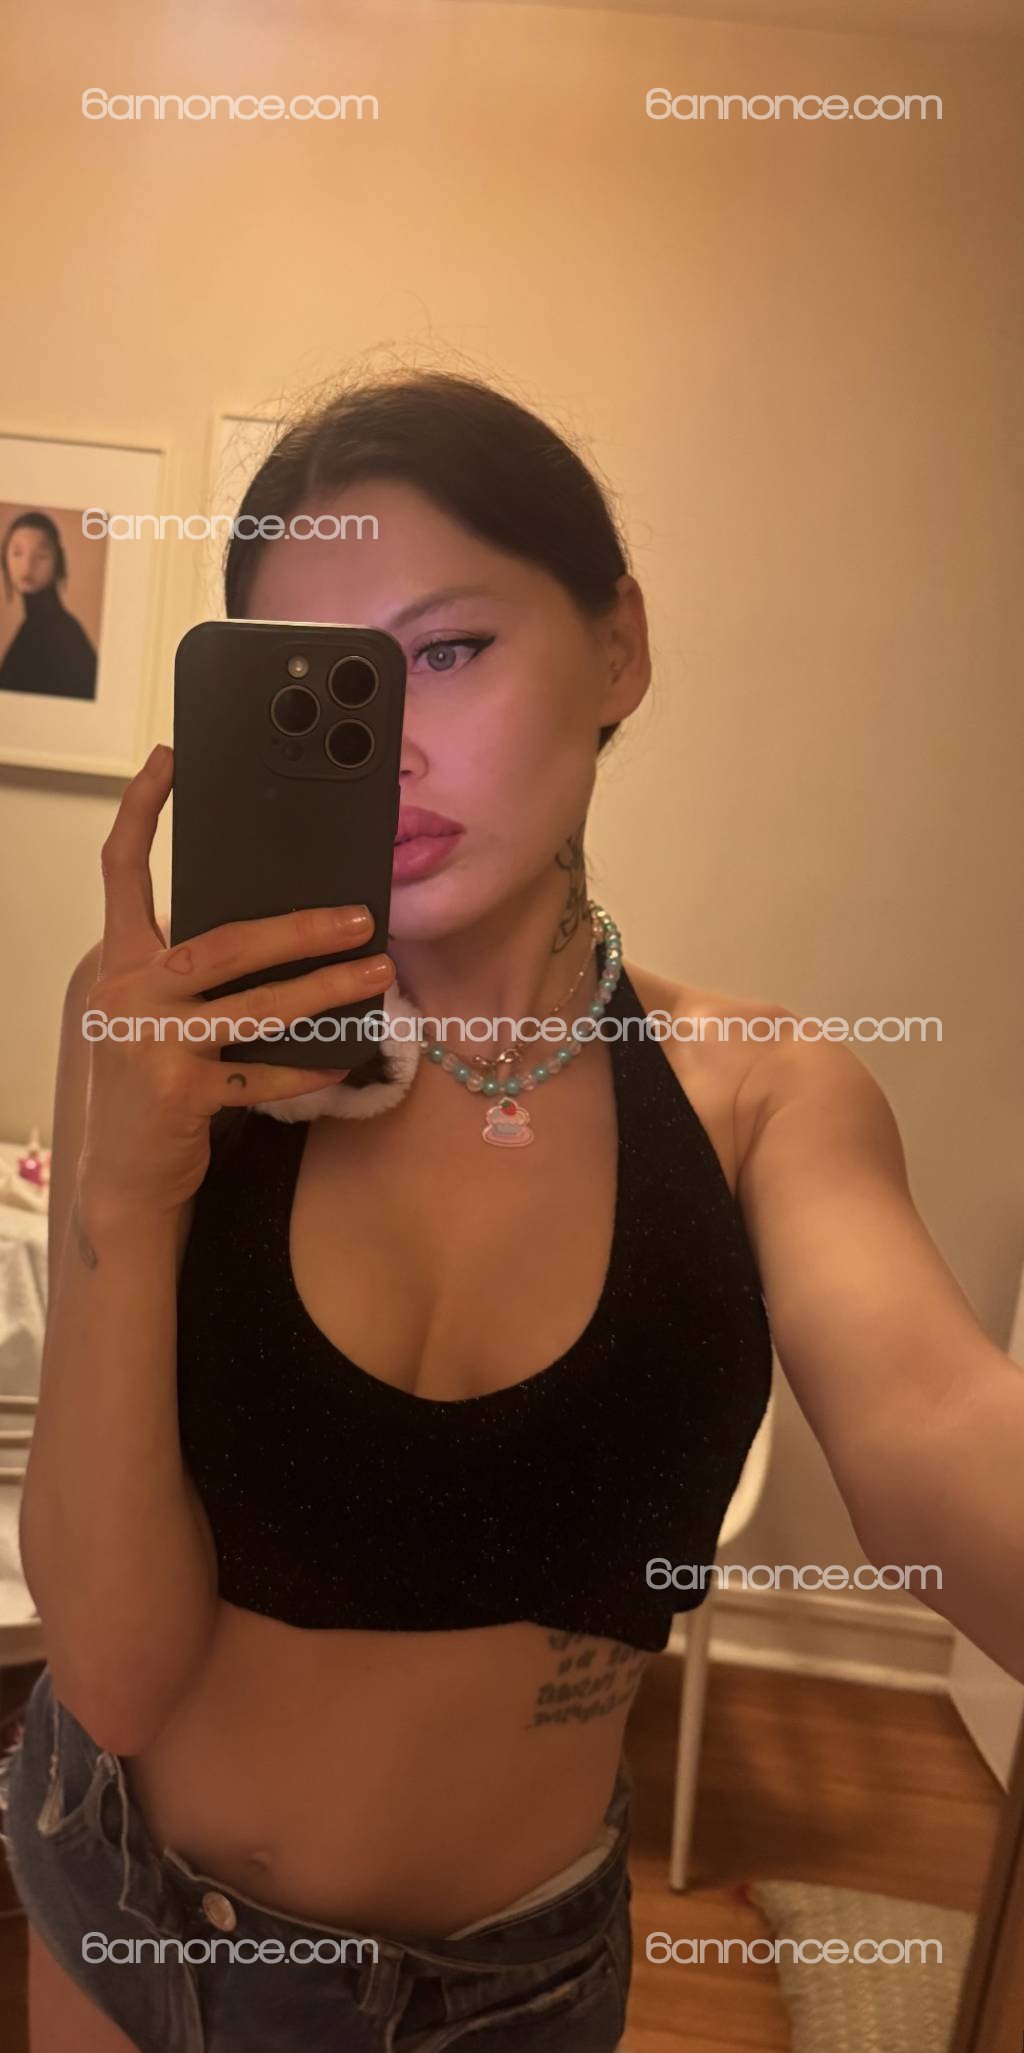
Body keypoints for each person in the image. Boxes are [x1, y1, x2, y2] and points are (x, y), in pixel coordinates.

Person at [2, 372, 1022, 2052]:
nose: (389, 743)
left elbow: (940, 1425)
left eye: (450, 650)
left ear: (618, 645)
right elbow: (107, 1671)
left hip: (506, 1994)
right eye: (321, 684)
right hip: (130, 1915)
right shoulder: (163, 1044)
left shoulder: (761, 1096)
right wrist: (128, 1182)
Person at [0, 512, 97, 700]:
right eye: (17, 554)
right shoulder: (35, 626)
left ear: (58, 563)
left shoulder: (61, 631)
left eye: (41, 556)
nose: (27, 566)